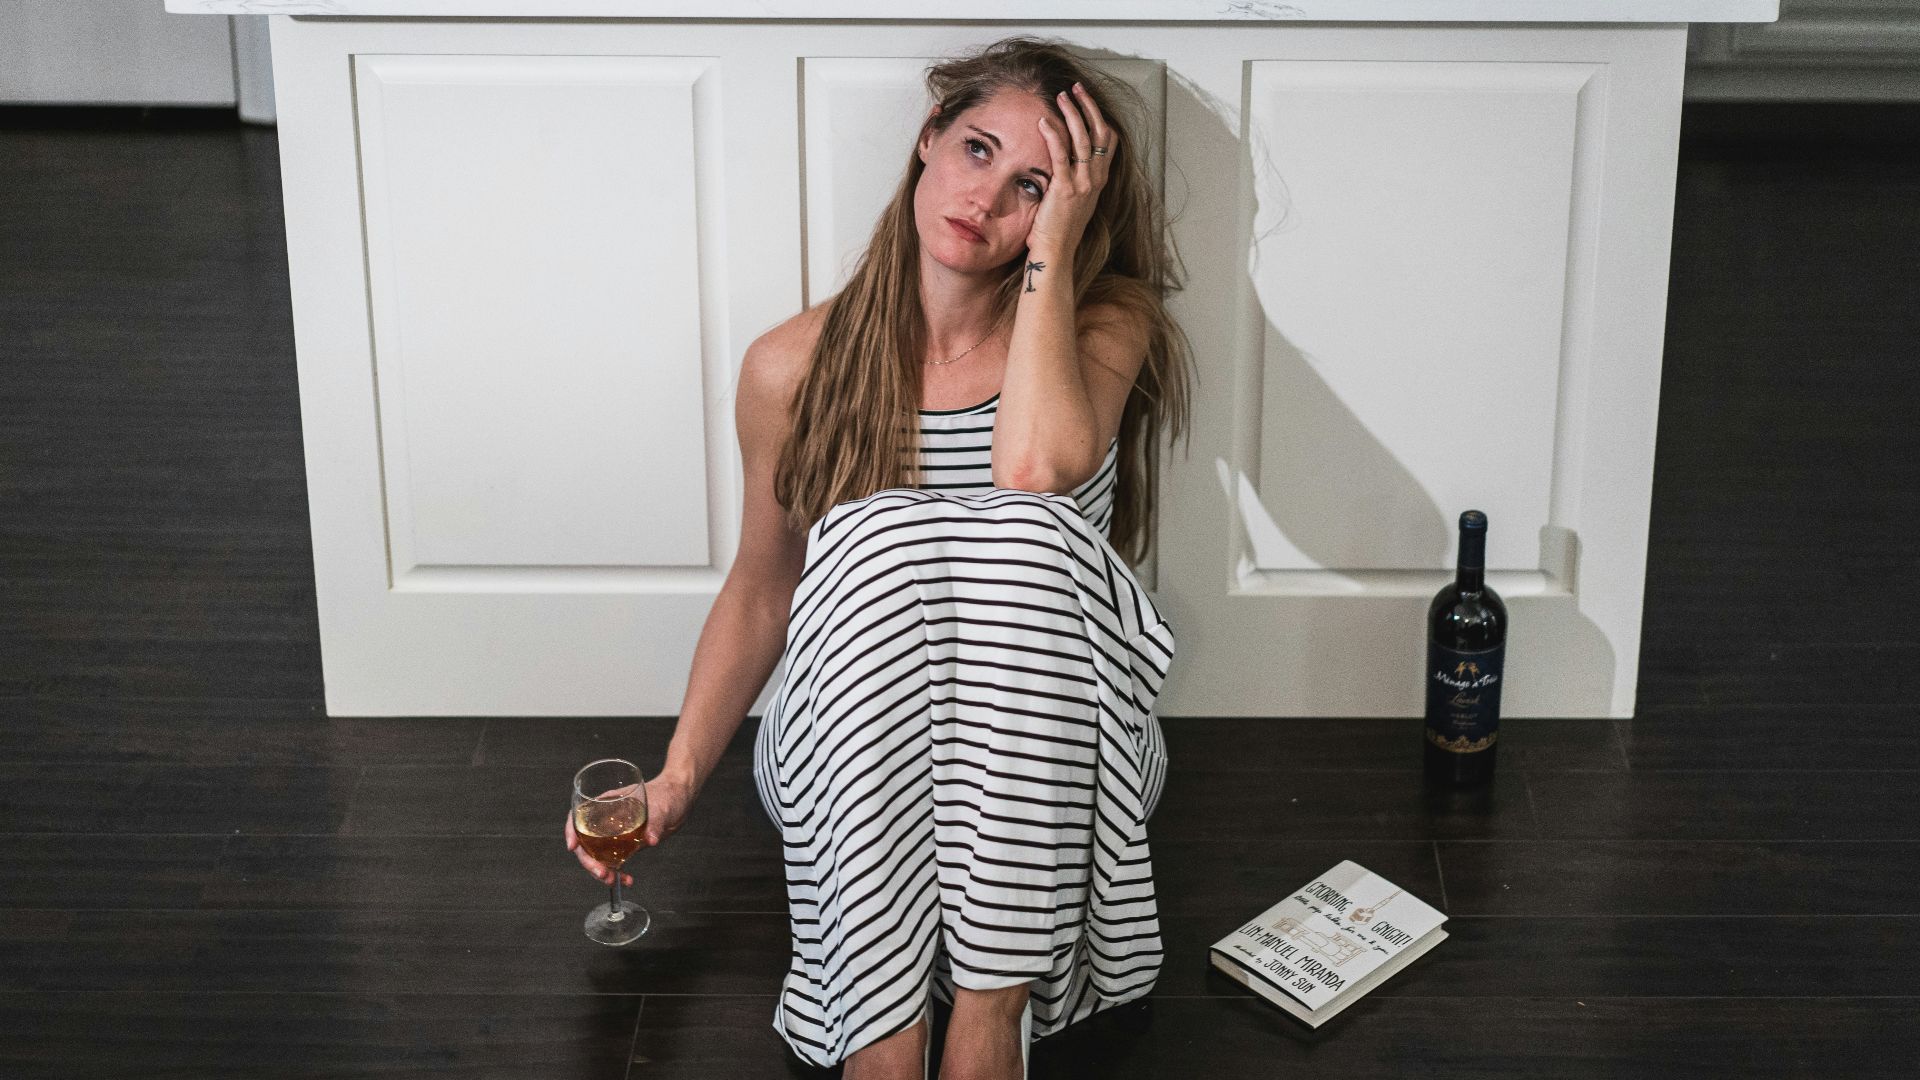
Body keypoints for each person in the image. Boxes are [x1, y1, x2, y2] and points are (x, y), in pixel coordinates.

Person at [566, 35, 1195, 1080]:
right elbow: (763, 589)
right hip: (856, 748)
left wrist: (1055, 251)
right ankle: (883, 1036)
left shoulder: (1100, 322)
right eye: (978, 150)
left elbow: (1034, 471)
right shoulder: (791, 367)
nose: (987, 198)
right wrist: (677, 777)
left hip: (1053, 748)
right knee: (871, 537)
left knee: (1026, 529)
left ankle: (990, 1022)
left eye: (1033, 184)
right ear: (927, 140)